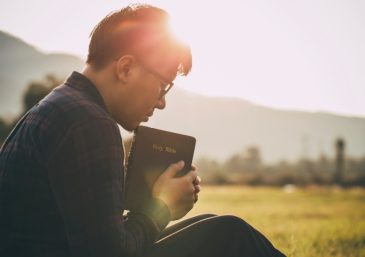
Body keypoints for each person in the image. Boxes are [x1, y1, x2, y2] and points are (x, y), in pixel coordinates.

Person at [0, 4, 286, 257]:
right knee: (228, 234)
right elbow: (110, 253)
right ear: (125, 69)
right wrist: (162, 206)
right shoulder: (89, 123)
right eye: (163, 87)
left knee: (211, 223)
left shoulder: (61, 105)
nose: (162, 103)